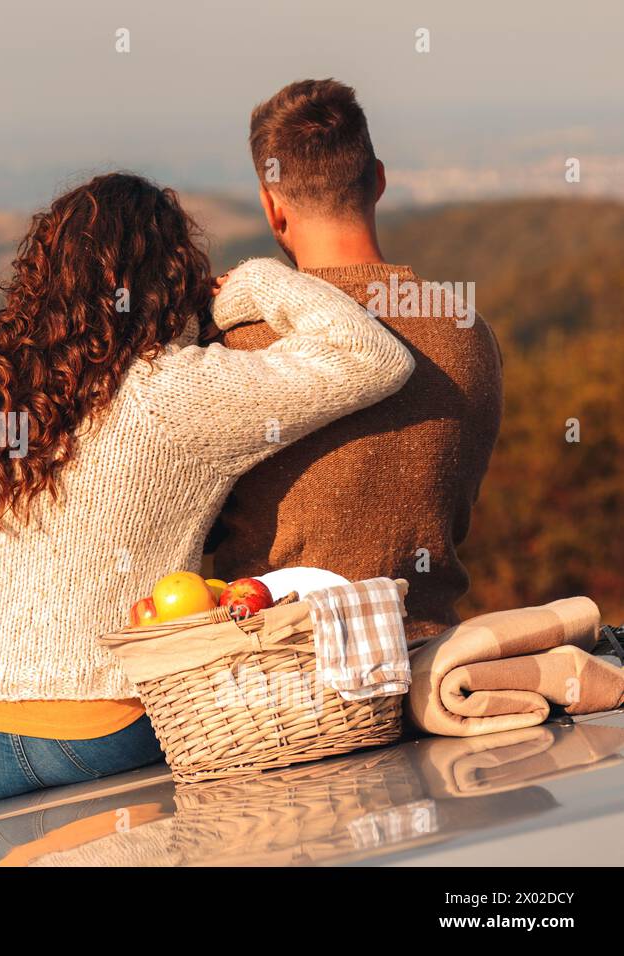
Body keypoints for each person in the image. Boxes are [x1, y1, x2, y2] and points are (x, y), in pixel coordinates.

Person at [0, 171, 415, 817]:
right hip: (88, 722)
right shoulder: (174, 394)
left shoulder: (20, 388)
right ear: (175, 275)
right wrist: (256, 283)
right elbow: (371, 359)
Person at [204, 79, 504, 643]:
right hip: (430, 656)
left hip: (279, 680)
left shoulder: (240, 342)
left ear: (272, 207)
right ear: (379, 180)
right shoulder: (471, 332)